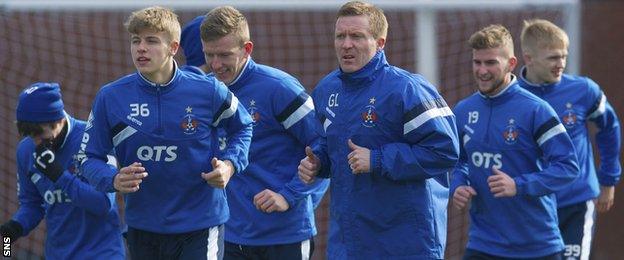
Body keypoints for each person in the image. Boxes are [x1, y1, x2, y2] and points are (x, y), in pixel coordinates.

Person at [80, 6, 253, 260]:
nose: (141, 48)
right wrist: (113, 179)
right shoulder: (111, 97)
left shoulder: (208, 91)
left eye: (151, 41)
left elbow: (244, 126)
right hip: (143, 228)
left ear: (173, 47)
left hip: (201, 225)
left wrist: (229, 165)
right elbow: (88, 158)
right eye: (135, 40)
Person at [297, 1, 459, 258]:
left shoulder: (407, 89)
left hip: (404, 244)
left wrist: (378, 159)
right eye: (340, 36)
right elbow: (328, 146)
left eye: (356, 36)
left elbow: (445, 152)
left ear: (380, 42)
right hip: (348, 243)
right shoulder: (327, 89)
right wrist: (318, 163)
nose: (346, 44)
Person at [199, 6, 329, 259]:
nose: (215, 64)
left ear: (247, 49)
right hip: (228, 234)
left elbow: (324, 149)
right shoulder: (204, 91)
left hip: (284, 236)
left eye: (224, 55)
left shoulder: (279, 88)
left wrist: (288, 196)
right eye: (209, 54)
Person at [450, 24, 580, 259]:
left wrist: (519, 185)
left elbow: (568, 168)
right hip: (483, 243)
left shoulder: (536, 110)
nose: (482, 70)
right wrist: (458, 185)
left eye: (490, 63)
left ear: (511, 63)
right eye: (477, 62)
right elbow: (458, 161)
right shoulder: (463, 110)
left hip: (537, 246)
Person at [518, 19, 621, 260]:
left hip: (577, 201)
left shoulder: (583, 90)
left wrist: (608, 179)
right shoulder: (512, 97)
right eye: (553, 58)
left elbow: (609, 128)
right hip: (532, 206)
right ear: (528, 58)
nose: (561, 64)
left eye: (564, 56)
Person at [0, 82, 124, 259]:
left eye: (40, 134)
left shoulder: (94, 139)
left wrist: (59, 175)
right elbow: (32, 204)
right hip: (58, 254)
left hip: (101, 254)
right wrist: (14, 229)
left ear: (58, 120)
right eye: (29, 135)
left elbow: (103, 203)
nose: (36, 142)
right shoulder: (26, 150)